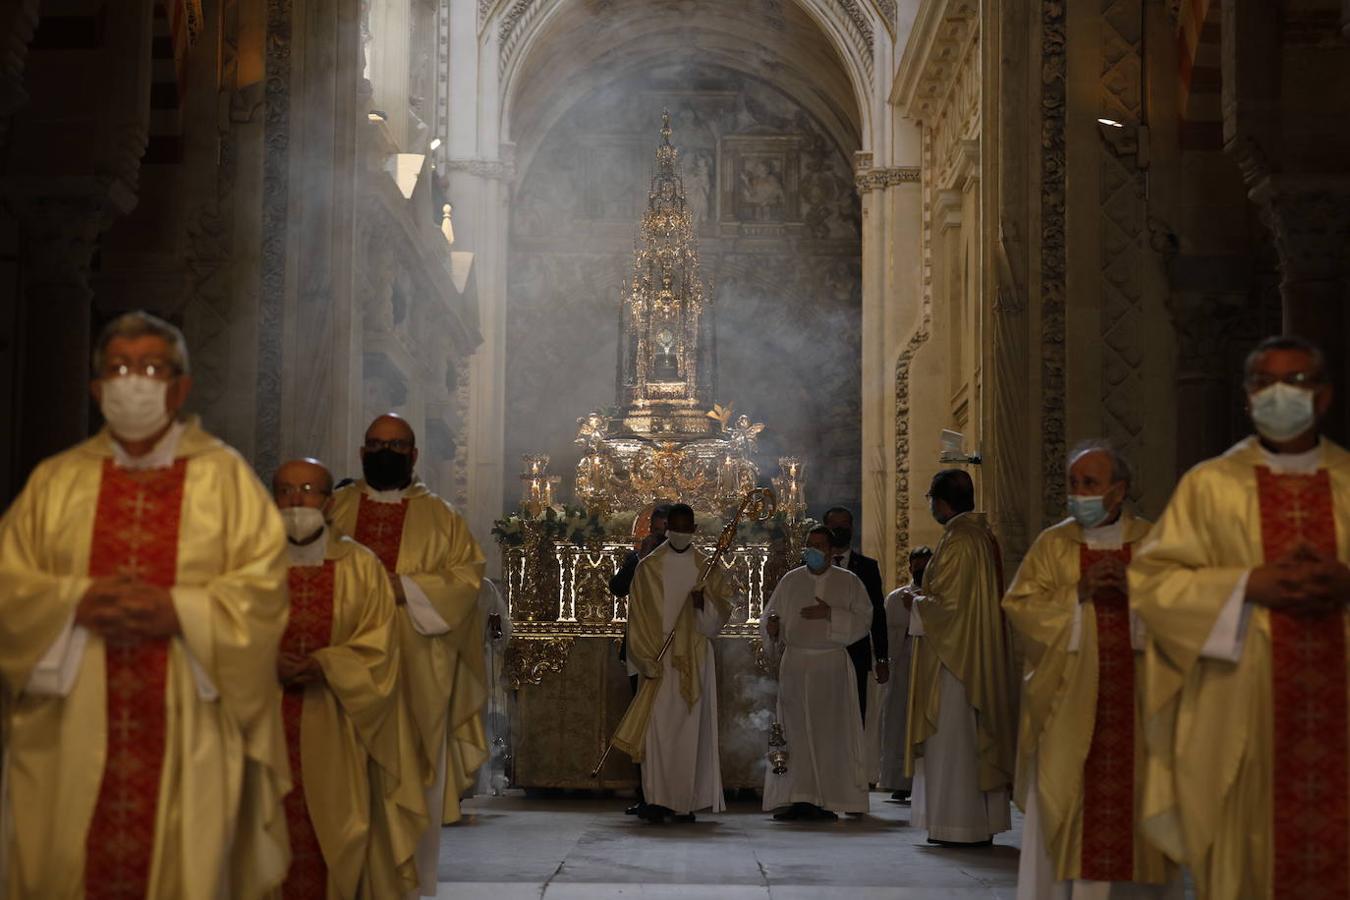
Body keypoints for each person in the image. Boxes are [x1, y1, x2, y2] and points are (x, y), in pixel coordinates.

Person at [0, 311, 290, 898]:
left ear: (180, 387)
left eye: (152, 368)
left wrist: (181, 612)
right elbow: (11, 584)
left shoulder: (226, 479)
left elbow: (263, 589)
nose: (135, 381)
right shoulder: (55, 482)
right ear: (97, 388)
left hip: (189, 718)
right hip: (70, 720)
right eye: (119, 368)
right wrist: (75, 601)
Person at [1130, 335, 1350, 900]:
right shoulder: (1210, 485)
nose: (1282, 394)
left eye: (1297, 381)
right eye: (1266, 382)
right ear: (1248, 397)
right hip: (1241, 716)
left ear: (1323, 396)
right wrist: (1248, 583)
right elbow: (1154, 584)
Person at [1003, 443, 1181, 899]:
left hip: (1138, 713)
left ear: (1118, 491)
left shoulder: (1154, 542)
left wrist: (1137, 592)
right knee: (1069, 810)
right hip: (1068, 711)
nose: (1078, 493)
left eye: (1090, 484)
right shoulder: (1053, 545)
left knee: (1138, 814)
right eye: (1073, 484)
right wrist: (1077, 596)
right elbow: (1021, 609)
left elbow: (1185, 612)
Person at [329, 414, 485, 897]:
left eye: (397, 446)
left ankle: (408, 884)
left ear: (414, 455)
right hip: (342, 669)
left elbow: (466, 580)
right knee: (340, 773)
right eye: (376, 444)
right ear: (361, 451)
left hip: (416, 669)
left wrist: (406, 588)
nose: (385, 453)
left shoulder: (442, 517)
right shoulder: (333, 508)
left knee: (411, 775)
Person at [272, 457, 422, 899]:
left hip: (337, 724)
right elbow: (222, 634)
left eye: (309, 490)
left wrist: (327, 664)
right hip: (261, 724)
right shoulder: (246, 563)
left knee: (335, 831)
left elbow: (381, 646)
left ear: (330, 501)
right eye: (285, 490)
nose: (297, 500)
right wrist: (263, 662)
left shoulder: (360, 566)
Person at [906, 468, 1015, 846]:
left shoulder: (959, 539)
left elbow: (948, 606)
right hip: (969, 652)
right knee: (965, 741)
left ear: (941, 501)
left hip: (955, 660)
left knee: (953, 741)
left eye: (931, 499)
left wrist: (916, 602)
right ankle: (969, 823)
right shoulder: (978, 535)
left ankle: (958, 825)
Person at [612, 503, 733, 823]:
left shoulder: (708, 568)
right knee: (657, 731)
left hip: (694, 657)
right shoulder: (649, 567)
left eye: (685, 527)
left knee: (689, 731)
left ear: (694, 529)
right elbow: (636, 618)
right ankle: (656, 798)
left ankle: (684, 801)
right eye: (674, 528)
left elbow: (717, 621)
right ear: (667, 530)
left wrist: (701, 605)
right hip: (659, 657)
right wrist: (645, 657)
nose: (680, 533)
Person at [761, 525, 875, 820]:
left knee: (829, 733)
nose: (813, 550)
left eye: (820, 545)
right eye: (809, 544)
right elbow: (770, 618)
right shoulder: (791, 581)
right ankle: (798, 797)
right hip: (796, 665)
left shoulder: (848, 582)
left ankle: (828, 797)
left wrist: (831, 614)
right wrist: (772, 630)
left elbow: (865, 620)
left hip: (830, 666)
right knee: (795, 732)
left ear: (831, 550)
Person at [608, 503, 670, 816]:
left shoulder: (683, 563)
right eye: (654, 531)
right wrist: (640, 559)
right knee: (642, 725)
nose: (659, 536)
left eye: (664, 531)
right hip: (639, 650)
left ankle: (672, 792)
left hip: (672, 652)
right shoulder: (638, 558)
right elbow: (617, 588)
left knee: (670, 724)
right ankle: (646, 792)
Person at [822, 507, 889, 725]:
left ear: (852, 528)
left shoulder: (868, 567)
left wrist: (881, 658)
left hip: (856, 653)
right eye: (835, 527)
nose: (840, 531)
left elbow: (877, 614)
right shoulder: (809, 566)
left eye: (844, 526)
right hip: (821, 652)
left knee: (855, 715)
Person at [879, 546, 931, 801]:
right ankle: (900, 780)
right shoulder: (896, 598)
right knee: (899, 722)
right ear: (910, 568)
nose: (920, 572)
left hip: (930, 668)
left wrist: (920, 611)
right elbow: (888, 636)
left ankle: (928, 779)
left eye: (926, 567)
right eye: (917, 567)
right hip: (903, 666)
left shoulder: (941, 597)